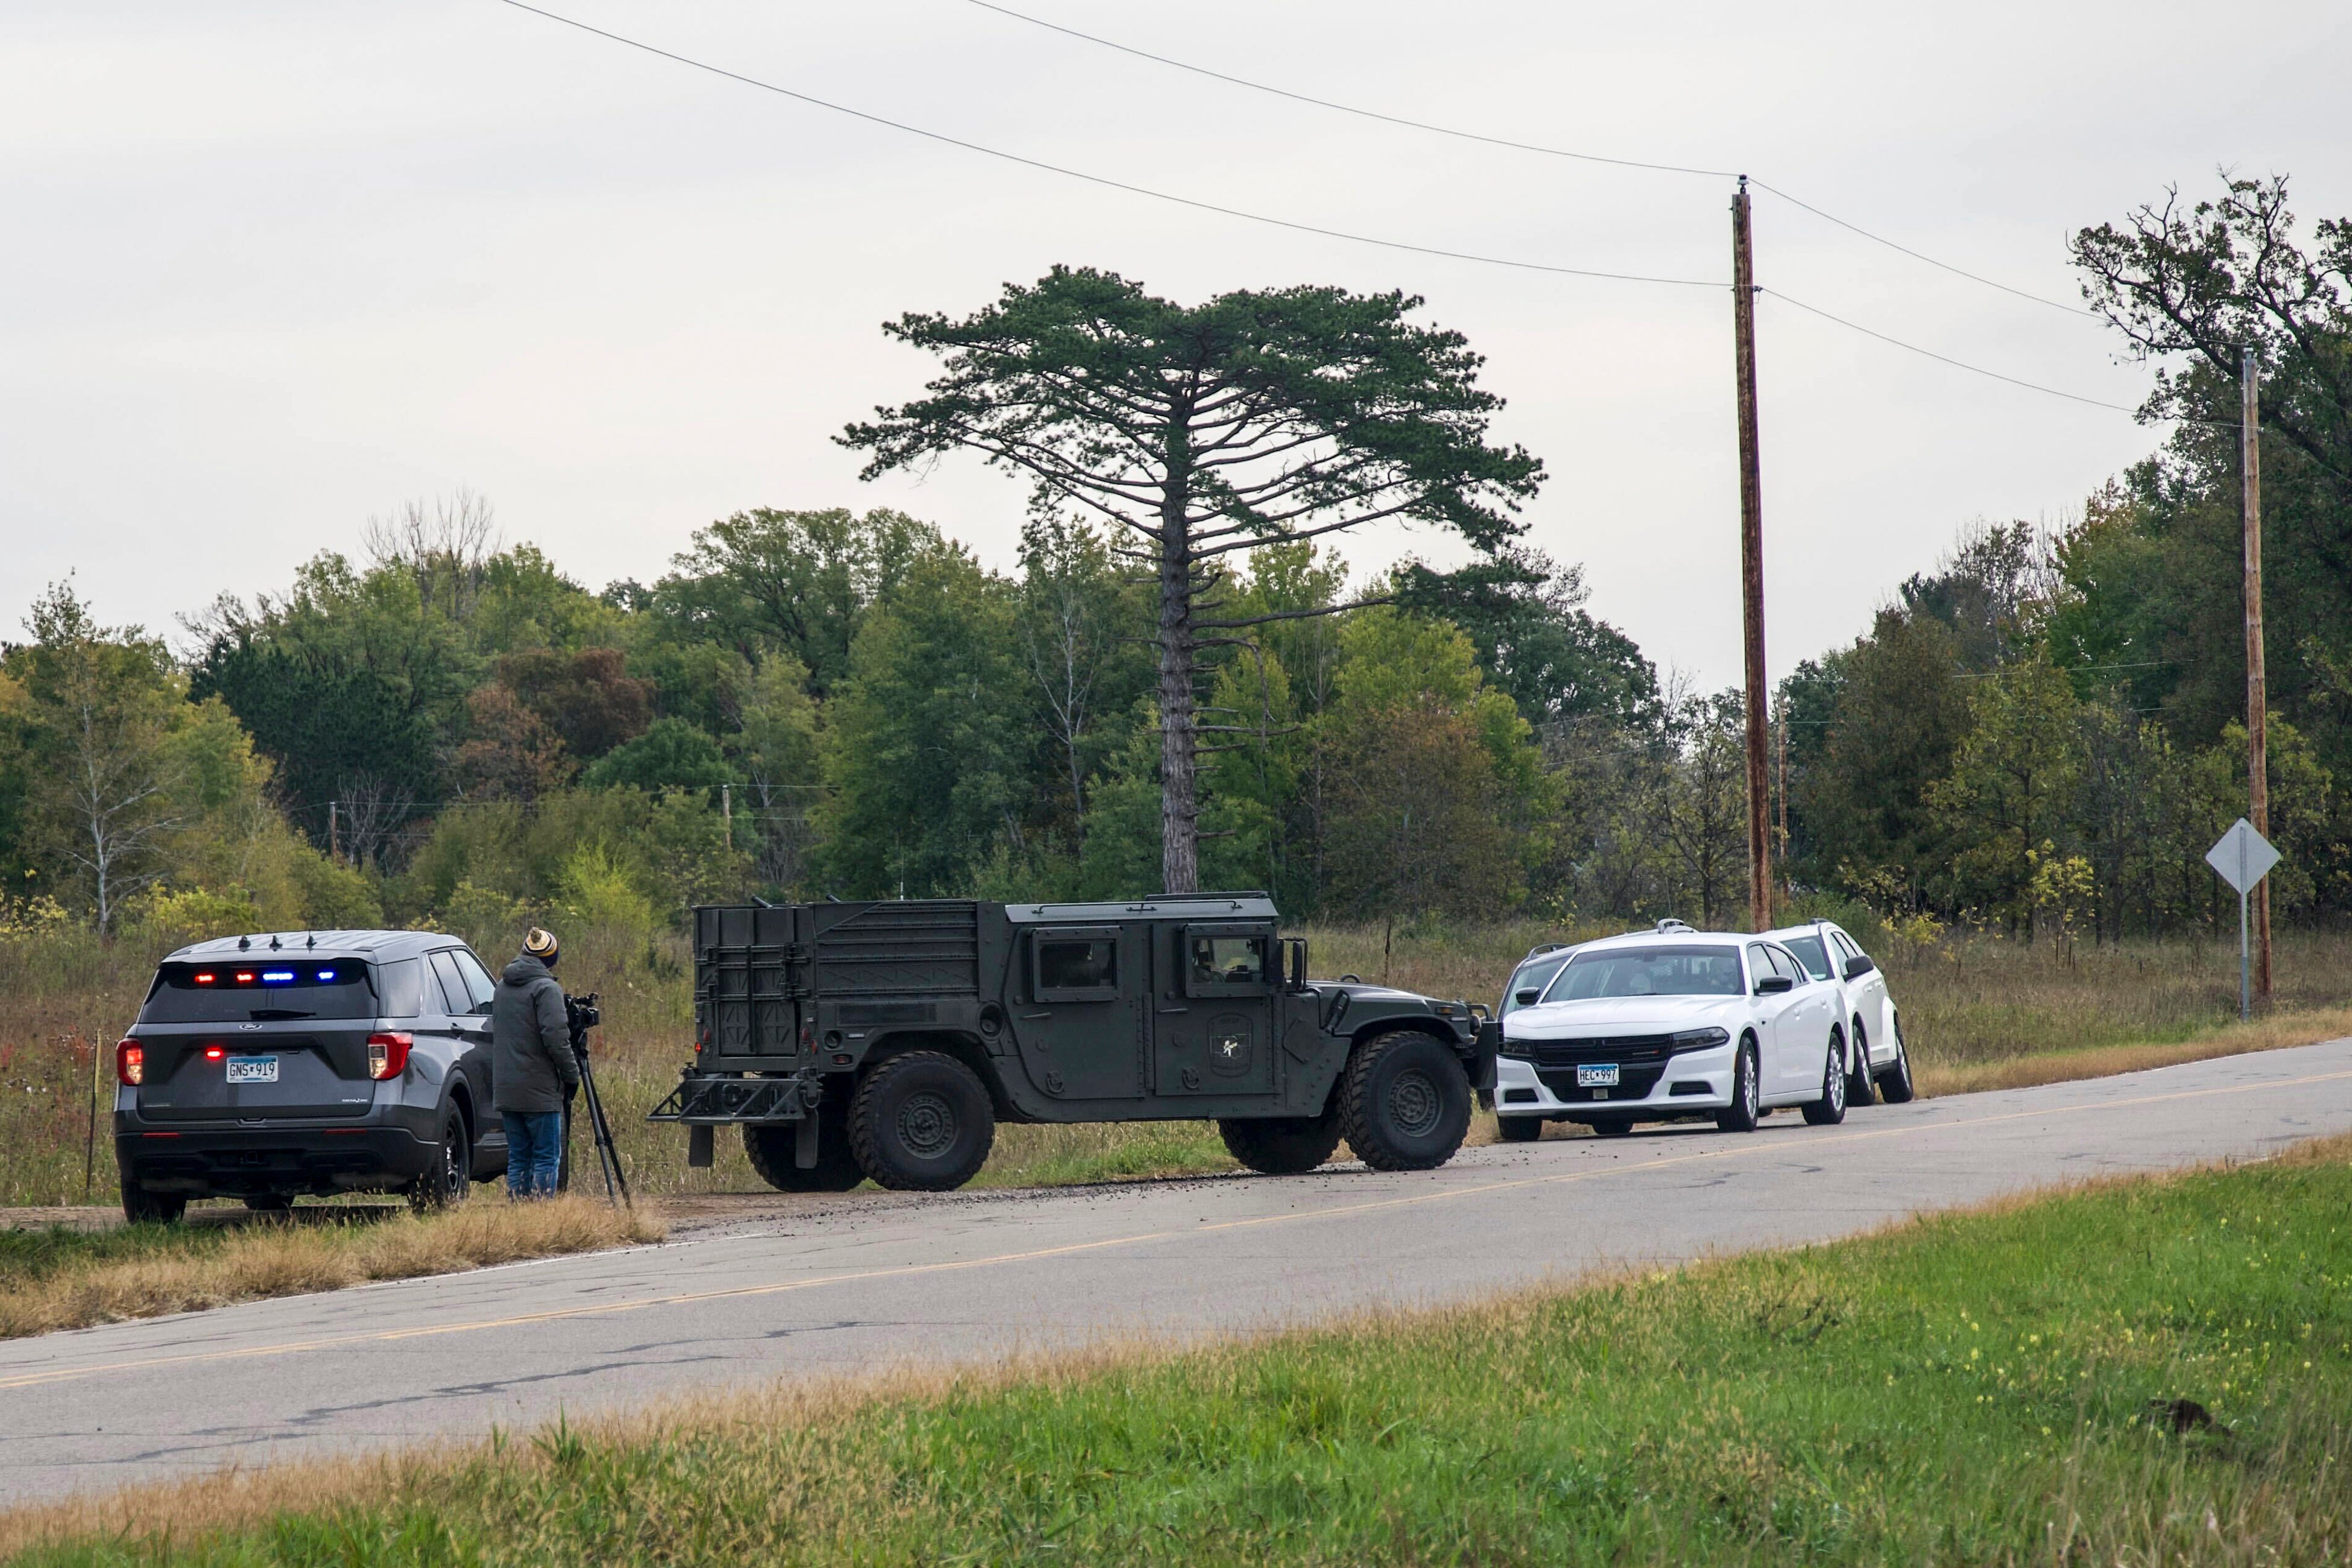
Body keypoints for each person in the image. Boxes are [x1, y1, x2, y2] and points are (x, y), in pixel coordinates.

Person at [492, 926, 579, 1199]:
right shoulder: (547, 989)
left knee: (519, 1156)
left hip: (506, 1088)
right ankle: (541, 1212)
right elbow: (556, 1038)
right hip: (539, 1089)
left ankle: (520, 1213)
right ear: (551, 957)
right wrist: (572, 1075)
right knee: (546, 1156)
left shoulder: (501, 987)